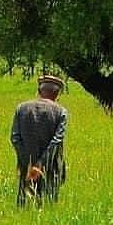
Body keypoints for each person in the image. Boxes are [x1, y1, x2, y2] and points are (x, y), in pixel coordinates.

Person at [10, 74, 68, 206]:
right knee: (48, 206)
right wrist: (40, 165)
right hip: (51, 169)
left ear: (39, 91)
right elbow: (56, 141)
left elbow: (14, 138)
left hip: (26, 169)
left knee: (23, 206)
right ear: (57, 94)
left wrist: (29, 163)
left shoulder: (21, 108)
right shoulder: (61, 112)